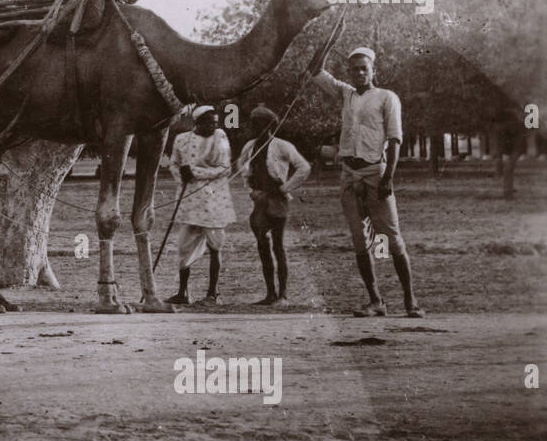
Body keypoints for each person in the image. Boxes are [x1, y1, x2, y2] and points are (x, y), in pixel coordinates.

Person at [309, 44, 425, 318]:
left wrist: (388, 177)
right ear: (349, 73)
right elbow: (315, 70)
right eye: (354, 70)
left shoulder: (387, 97)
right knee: (360, 240)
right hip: (349, 174)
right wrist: (329, 40)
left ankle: (410, 301)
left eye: (364, 68)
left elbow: (395, 139)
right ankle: (376, 301)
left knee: (392, 239)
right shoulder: (346, 94)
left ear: (374, 70)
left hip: (376, 172)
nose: (359, 73)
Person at [235, 106, 310, 305]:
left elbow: (304, 167)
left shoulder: (283, 146)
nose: (253, 127)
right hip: (260, 200)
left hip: (278, 200)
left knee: (278, 246)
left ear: (269, 125)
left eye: (258, 123)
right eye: (252, 123)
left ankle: (282, 295)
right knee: (262, 245)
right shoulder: (250, 146)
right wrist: (250, 188)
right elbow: (241, 166)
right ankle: (270, 293)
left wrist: (285, 188)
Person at [166, 105, 235, 306]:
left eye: (216, 122)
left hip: (215, 200)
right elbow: (174, 164)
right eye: (209, 122)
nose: (214, 126)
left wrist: (195, 172)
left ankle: (213, 294)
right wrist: (182, 175)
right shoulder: (181, 139)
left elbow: (225, 168)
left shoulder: (220, 137)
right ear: (198, 122)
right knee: (184, 246)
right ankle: (183, 292)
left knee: (215, 246)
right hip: (189, 201)